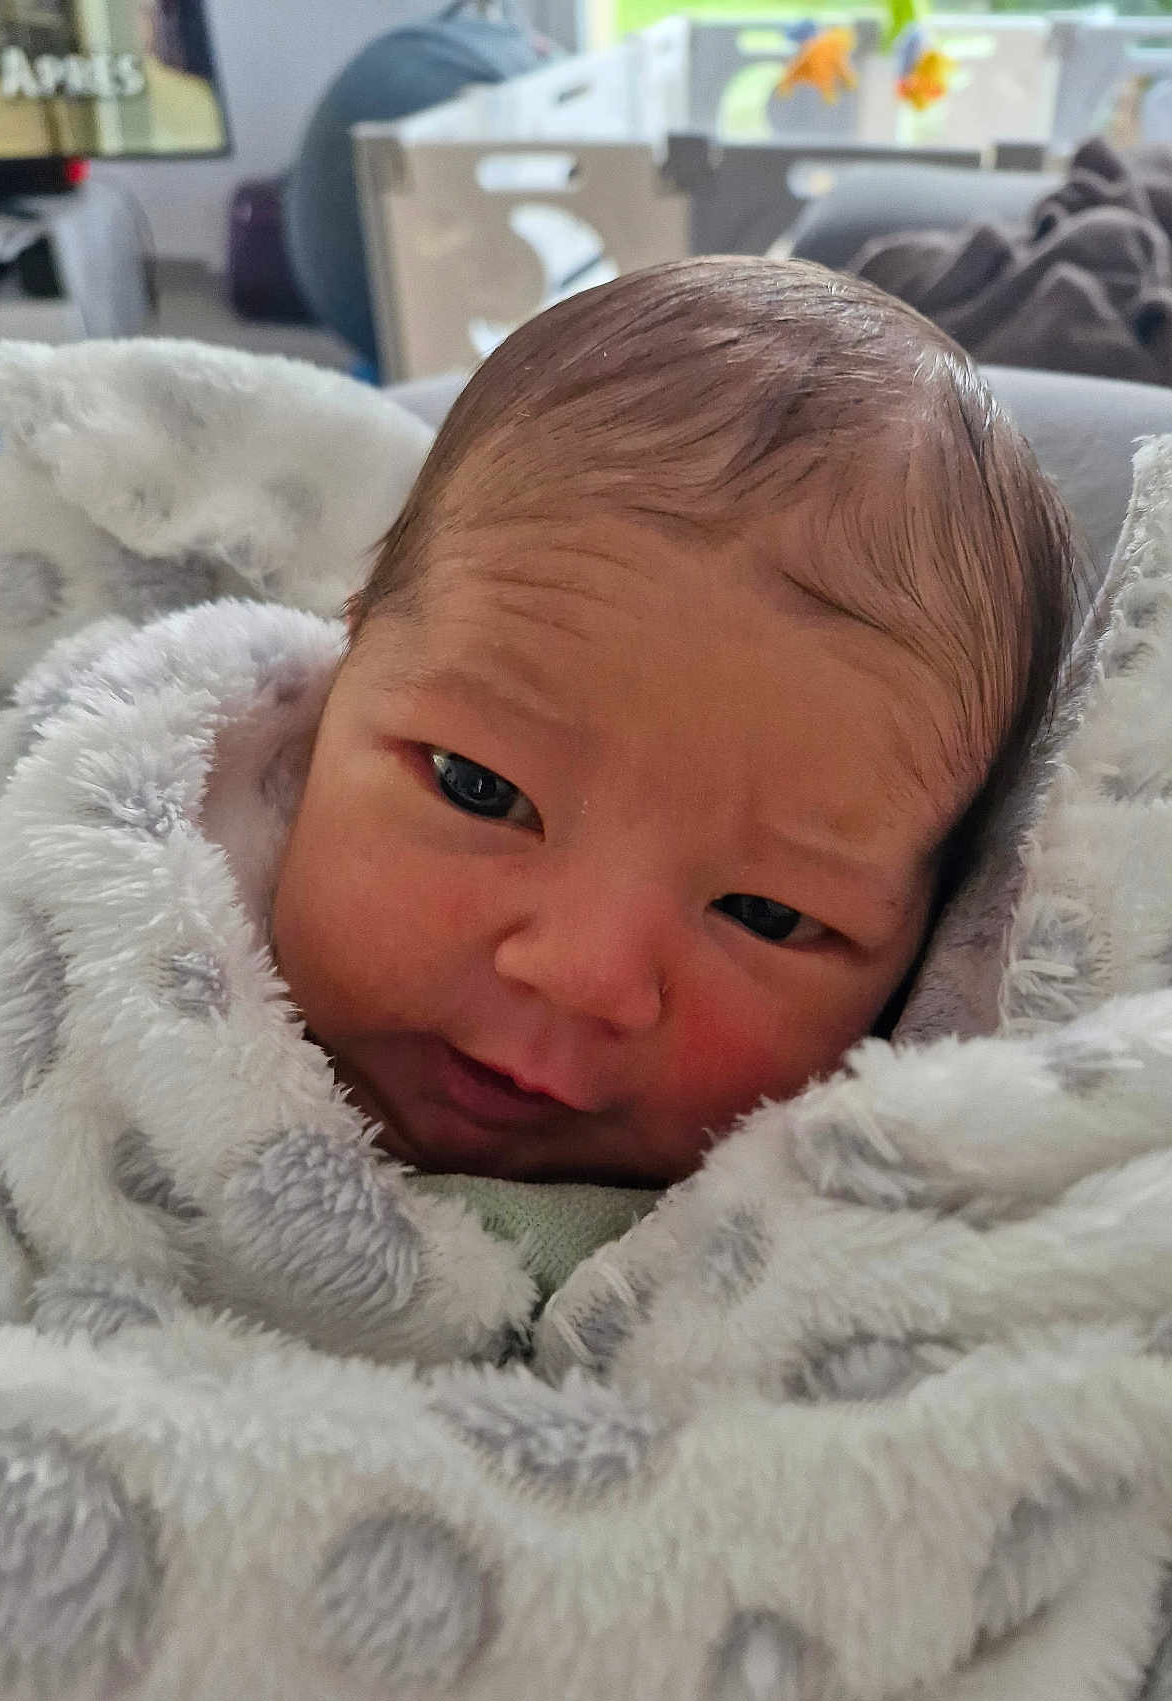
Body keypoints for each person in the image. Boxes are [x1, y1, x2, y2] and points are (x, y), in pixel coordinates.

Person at [271, 255, 1077, 1190]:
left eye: (765, 915)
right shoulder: (143, 895)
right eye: (479, 788)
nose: (583, 973)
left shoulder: (827, 1219)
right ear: (345, 657)